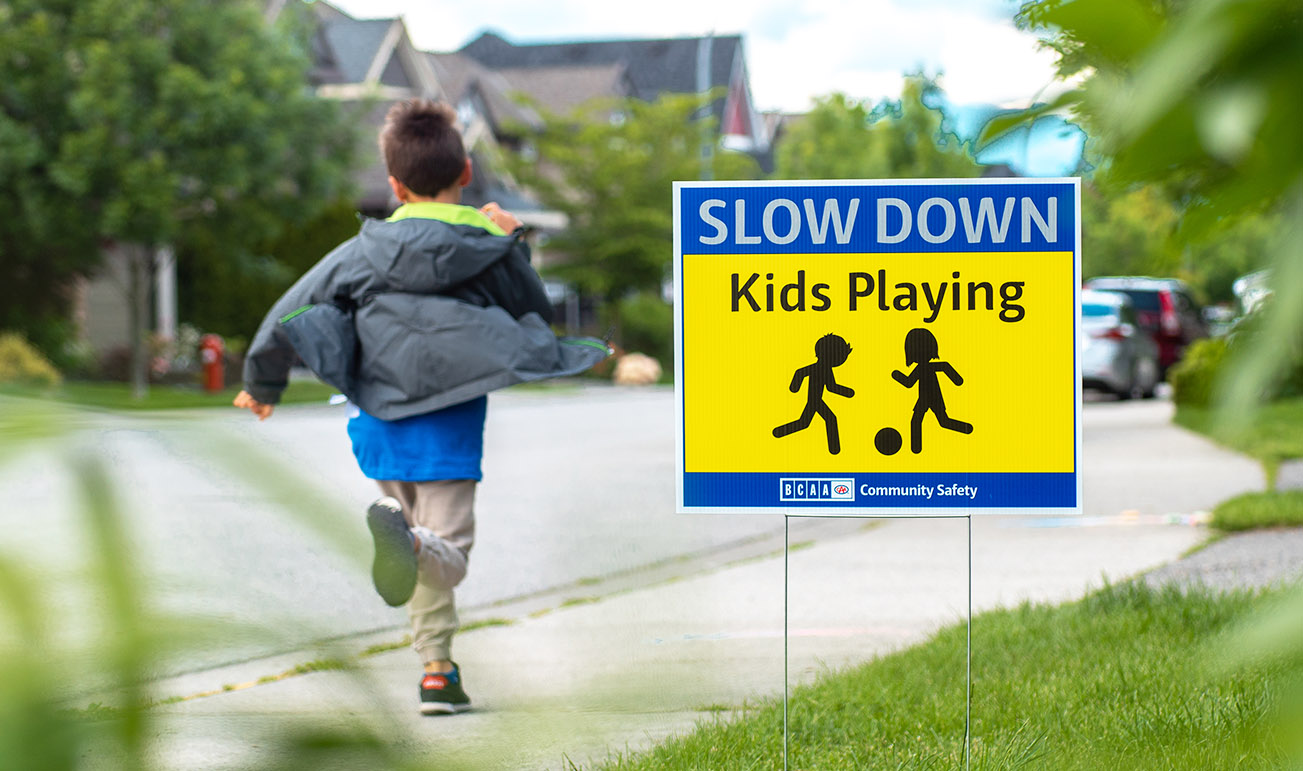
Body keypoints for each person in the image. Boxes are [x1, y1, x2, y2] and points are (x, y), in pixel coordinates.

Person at [234, 99, 604, 715]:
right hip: (449, 423)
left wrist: (262, 380)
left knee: (418, 548)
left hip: (378, 419)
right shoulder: (485, 241)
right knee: (445, 555)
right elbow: (531, 308)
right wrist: (514, 240)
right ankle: (407, 554)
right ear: (465, 173)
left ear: (394, 185)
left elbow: (291, 306)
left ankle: (438, 672)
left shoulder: (363, 251)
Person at [891, 327, 972, 454]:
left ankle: (965, 428)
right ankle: (916, 448)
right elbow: (909, 383)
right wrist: (898, 376)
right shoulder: (922, 368)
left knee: (941, 421)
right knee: (918, 421)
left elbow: (909, 382)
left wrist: (896, 375)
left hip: (934, 397)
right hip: (924, 399)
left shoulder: (925, 367)